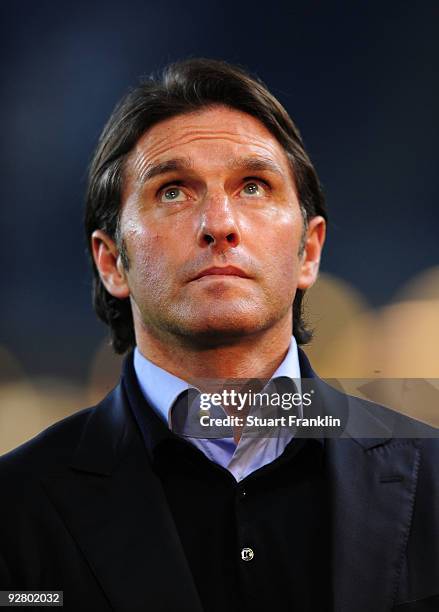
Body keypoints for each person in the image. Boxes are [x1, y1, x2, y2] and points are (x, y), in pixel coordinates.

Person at [0, 58, 438, 612]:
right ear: (111, 261)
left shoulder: (433, 480)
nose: (220, 223)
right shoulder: (15, 510)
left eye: (253, 187)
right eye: (174, 192)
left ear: (309, 250)